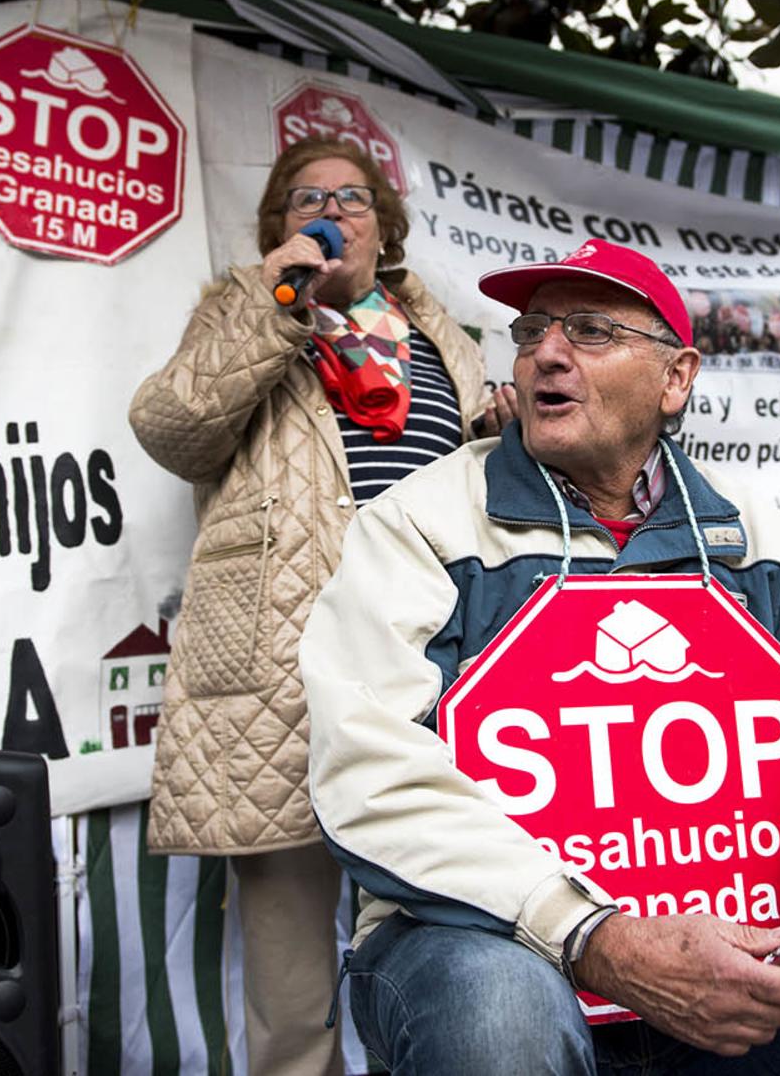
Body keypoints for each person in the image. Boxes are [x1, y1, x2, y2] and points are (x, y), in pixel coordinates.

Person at [299, 239, 780, 1074]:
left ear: (676, 378)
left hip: (741, 951)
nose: (546, 354)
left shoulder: (755, 537)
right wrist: (594, 936)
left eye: (592, 331)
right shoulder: (418, 524)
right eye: (531, 333)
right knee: (501, 1012)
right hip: (502, 945)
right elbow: (367, 766)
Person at [129, 137, 508, 1076]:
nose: (329, 209)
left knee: (448, 938)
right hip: (282, 674)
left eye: (352, 196)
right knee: (294, 985)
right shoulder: (242, 313)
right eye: (305, 198)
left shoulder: (441, 335)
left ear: (386, 223)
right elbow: (170, 428)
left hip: (430, 659)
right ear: (277, 227)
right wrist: (276, 301)